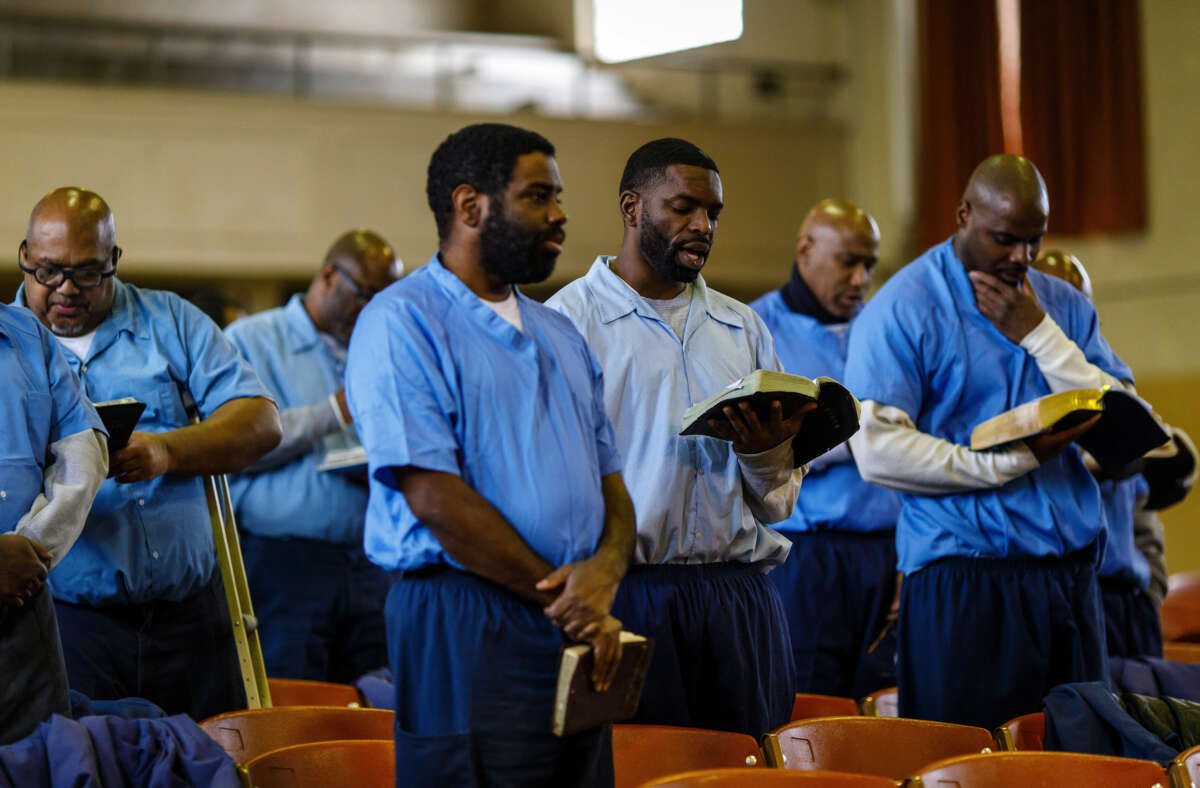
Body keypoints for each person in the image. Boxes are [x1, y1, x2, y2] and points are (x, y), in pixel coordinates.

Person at [345, 123, 635, 787]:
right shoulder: (402, 321)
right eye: (539, 196)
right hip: (466, 612)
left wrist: (606, 572)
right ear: (470, 206)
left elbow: (611, 482)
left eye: (558, 196)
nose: (560, 214)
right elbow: (432, 494)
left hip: (574, 612)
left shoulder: (559, 333)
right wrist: (565, 597)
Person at [844, 155, 1132, 729]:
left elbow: (1125, 432)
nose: (1020, 258)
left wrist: (1042, 337)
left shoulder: (1063, 305)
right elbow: (877, 452)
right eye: (1005, 239)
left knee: (1088, 765)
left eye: (1034, 241)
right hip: (963, 578)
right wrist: (1011, 462)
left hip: (1069, 579)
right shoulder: (903, 308)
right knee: (968, 760)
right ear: (963, 215)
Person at [548, 138, 807, 737]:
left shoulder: (742, 326)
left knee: (746, 772)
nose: (702, 225)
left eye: (713, 213)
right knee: (637, 770)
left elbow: (778, 502)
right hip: (629, 594)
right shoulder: (567, 323)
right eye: (683, 207)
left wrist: (764, 452)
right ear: (632, 207)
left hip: (737, 595)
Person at [15, 187, 282, 721]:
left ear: (114, 261)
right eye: (48, 271)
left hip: (192, 619)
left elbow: (260, 420)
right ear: (25, 256)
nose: (65, 289)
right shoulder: (7, 346)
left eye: (88, 273)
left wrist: (165, 450)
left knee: (211, 767)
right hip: (70, 623)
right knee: (89, 768)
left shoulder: (172, 322)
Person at [226, 230, 399, 682]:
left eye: (385, 302)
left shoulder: (380, 347)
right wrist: (333, 411)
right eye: (364, 296)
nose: (371, 313)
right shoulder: (251, 341)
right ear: (327, 276)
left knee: (373, 706)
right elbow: (235, 447)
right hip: (283, 565)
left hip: (368, 564)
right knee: (294, 705)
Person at [750, 198, 902, 699]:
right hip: (807, 556)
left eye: (870, 265)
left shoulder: (885, 326)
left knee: (890, 707)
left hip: (888, 549)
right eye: (848, 262)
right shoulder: (754, 329)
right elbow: (763, 442)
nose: (860, 279)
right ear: (805, 249)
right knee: (810, 703)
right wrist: (871, 435)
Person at [1032, 249, 1166, 658]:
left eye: (1081, 307)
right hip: (1065, 598)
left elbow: (1140, 505)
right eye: (1058, 308)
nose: (1073, 320)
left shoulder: (1111, 386)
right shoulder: (1022, 401)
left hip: (1129, 607)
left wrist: (1151, 586)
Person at [1, 302, 108, 743]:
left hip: (20, 603)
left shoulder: (26, 332)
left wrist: (26, 550)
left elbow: (83, 448)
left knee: (43, 760)